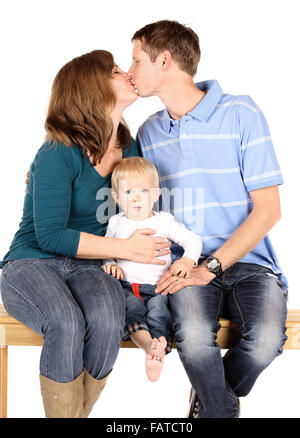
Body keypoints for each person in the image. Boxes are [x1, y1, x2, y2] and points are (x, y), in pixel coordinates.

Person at [127, 20, 288, 418]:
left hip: (251, 263)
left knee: (266, 340)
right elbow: (121, 185)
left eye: (135, 60)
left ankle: (210, 399)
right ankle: (220, 406)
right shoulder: (149, 132)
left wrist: (212, 267)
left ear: (164, 61)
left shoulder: (241, 112)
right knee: (196, 341)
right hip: (184, 266)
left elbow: (269, 209)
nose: (129, 71)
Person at [0, 50, 171, 418]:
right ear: (91, 88)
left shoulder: (129, 150)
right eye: (114, 70)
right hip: (33, 262)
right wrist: (125, 248)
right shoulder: (57, 152)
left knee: (109, 321)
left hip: (91, 265)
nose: (126, 72)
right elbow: (49, 237)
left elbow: (139, 207)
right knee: (66, 322)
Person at [101, 156, 202, 382]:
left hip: (158, 287)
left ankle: (157, 353)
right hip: (128, 286)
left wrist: (187, 261)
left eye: (143, 192)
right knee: (131, 314)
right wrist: (110, 264)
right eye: (128, 193)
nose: (136, 197)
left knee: (159, 315)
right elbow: (106, 248)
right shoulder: (116, 223)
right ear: (117, 198)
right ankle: (150, 349)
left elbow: (192, 239)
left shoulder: (163, 221)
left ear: (156, 194)